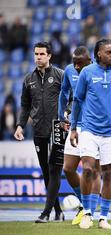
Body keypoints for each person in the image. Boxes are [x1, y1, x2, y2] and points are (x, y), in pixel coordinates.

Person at [70, 38, 111, 230]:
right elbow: (77, 100)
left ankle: (103, 217)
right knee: (89, 169)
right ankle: (87, 213)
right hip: (89, 130)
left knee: (108, 174)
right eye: (109, 52)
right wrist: (74, 128)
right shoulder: (87, 73)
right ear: (99, 53)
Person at [14, 41, 65, 223]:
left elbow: (73, 98)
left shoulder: (60, 75)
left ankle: (46, 213)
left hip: (57, 129)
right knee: (46, 171)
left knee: (54, 170)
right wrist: (20, 125)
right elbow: (25, 105)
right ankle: (58, 211)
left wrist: (66, 118)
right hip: (38, 130)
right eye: (36, 54)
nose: (38, 57)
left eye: (42, 54)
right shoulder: (28, 79)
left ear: (49, 56)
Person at [58, 45, 102, 226]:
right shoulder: (69, 71)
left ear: (89, 61)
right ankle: (85, 205)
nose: (76, 67)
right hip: (75, 125)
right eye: (74, 63)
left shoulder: (97, 72)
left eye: (80, 63)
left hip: (93, 126)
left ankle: (90, 210)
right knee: (68, 168)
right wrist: (61, 116)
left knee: (91, 169)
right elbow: (64, 93)